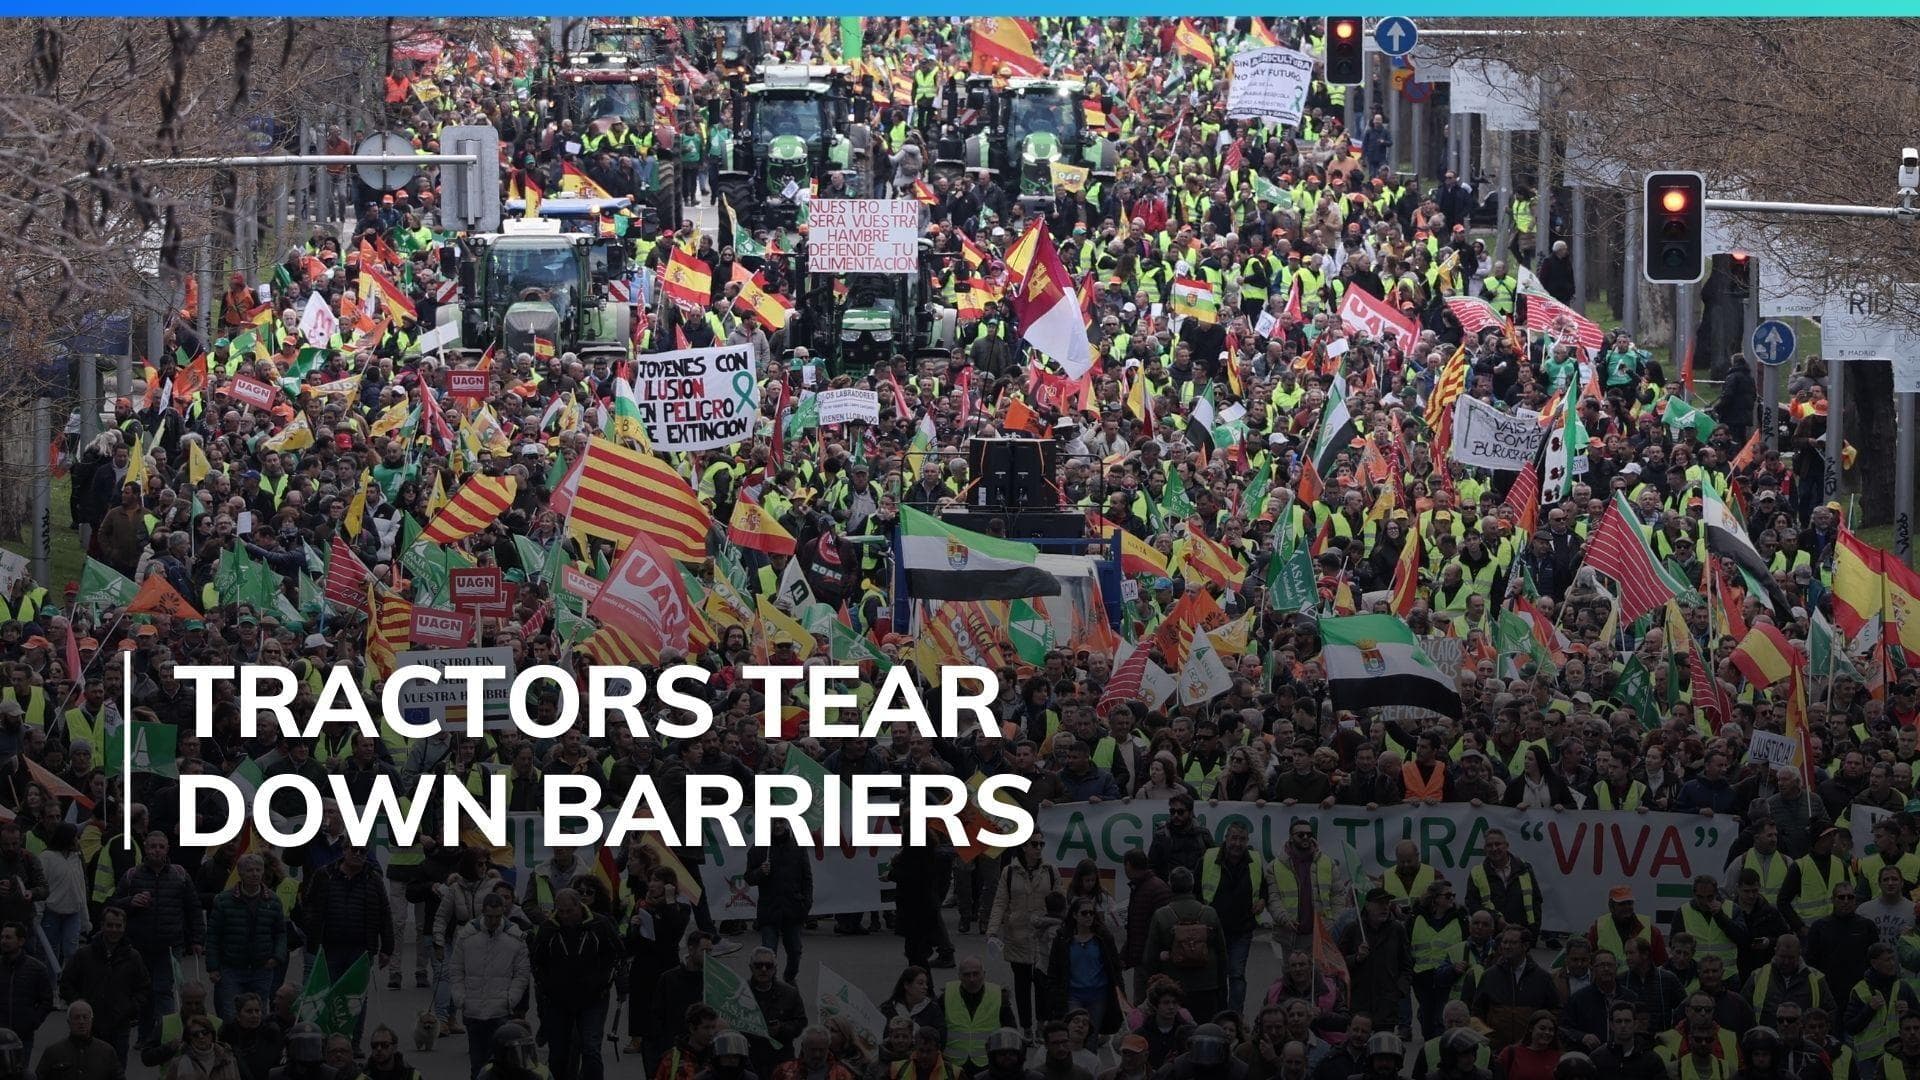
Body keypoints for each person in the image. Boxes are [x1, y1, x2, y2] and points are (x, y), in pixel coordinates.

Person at [529, 889, 620, 1080]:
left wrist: (604, 983)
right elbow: (537, 962)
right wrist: (546, 988)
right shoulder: (548, 928)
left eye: (569, 911)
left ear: (580, 906)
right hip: (558, 1001)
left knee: (590, 1049)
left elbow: (615, 955)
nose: (565, 916)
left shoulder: (599, 925)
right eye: (560, 911)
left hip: (593, 999)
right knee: (558, 1053)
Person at [451, 893, 531, 1080]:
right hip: (473, 1010)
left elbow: (522, 974)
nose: (494, 921)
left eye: (497, 916)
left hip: (500, 1012)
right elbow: (456, 970)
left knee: (501, 1067)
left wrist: (509, 1000)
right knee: (477, 1066)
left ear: (503, 912)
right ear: (482, 913)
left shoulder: (515, 937)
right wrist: (461, 998)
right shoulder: (466, 936)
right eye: (489, 917)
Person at [57, 905, 147, 1062]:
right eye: (110, 925)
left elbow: (144, 987)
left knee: (117, 1070)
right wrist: (80, 1005)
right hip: (89, 1027)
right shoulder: (84, 955)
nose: (114, 930)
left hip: (120, 1026)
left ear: (124, 927)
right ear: (102, 925)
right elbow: (66, 984)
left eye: (118, 926)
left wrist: (130, 1009)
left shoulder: (133, 957)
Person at [207, 854, 287, 1023]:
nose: (254, 874)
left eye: (258, 870)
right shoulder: (223, 900)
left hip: (262, 968)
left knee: (258, 1015)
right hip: (231, 968)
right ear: (241, 873)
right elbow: (213, 935)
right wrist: (213, 967)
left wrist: (277, 957)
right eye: (250, 870)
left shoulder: (273, 900)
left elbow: (280, 932)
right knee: (229, 1014)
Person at [1142, 868, 1228, 1020]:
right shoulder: (1209, 913)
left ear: (1170, 886)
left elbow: (1150, 957)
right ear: (1192, 885)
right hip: (1206, 985)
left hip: (1173, 987)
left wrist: (1153, 987)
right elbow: (1222, 953)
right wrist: (1220, 986)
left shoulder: (1162, 915)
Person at [743, 821, 813, 986]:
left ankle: (789, 978)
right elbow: (748, 877)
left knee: (795, 951)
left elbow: (807, 878)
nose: (778, 826)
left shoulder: (798, 846)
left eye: (781, 822)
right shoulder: (760, 848)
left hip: (793, 909)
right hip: (769, 909)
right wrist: (760, 872)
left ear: (787, 823)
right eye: (774, 823)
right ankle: (770, 983)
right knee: (768, 952)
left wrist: (806, 903)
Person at [34, 1001, 122, 1080]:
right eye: (77, 1017)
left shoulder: (107, 1052)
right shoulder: (53, 1052)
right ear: (69, 1022)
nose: (81, 1021)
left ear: (91, 1021)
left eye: (85, 1017)